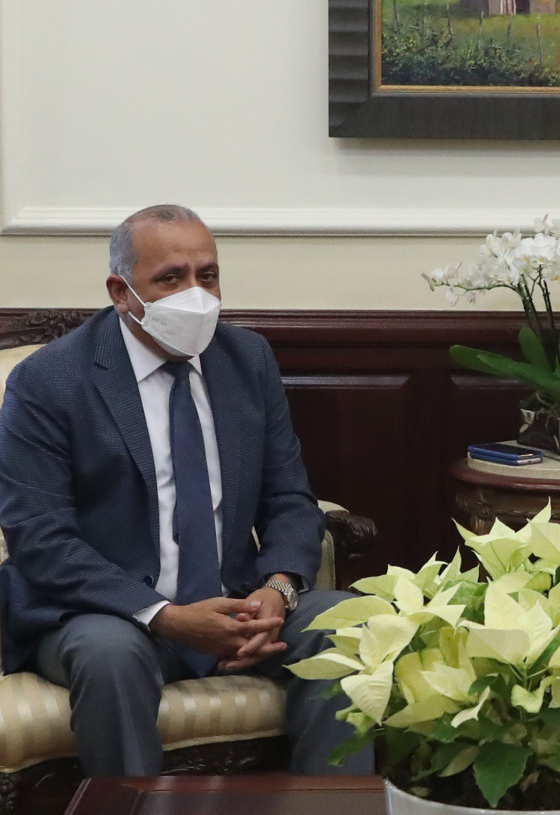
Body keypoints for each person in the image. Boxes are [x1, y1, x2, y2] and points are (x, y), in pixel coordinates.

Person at [0, 205, 370, 776]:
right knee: (109, 655)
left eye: (207, 275)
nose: (195, 294)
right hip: (104, 613)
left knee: (351, 623)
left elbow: (289, 499)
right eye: (171, 279)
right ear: (121, 292)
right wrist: (165, 616)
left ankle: (331, 807)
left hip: (237, 602)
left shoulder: (247, 359)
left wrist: (276, 591)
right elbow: (40, 537)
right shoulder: (50, 380)